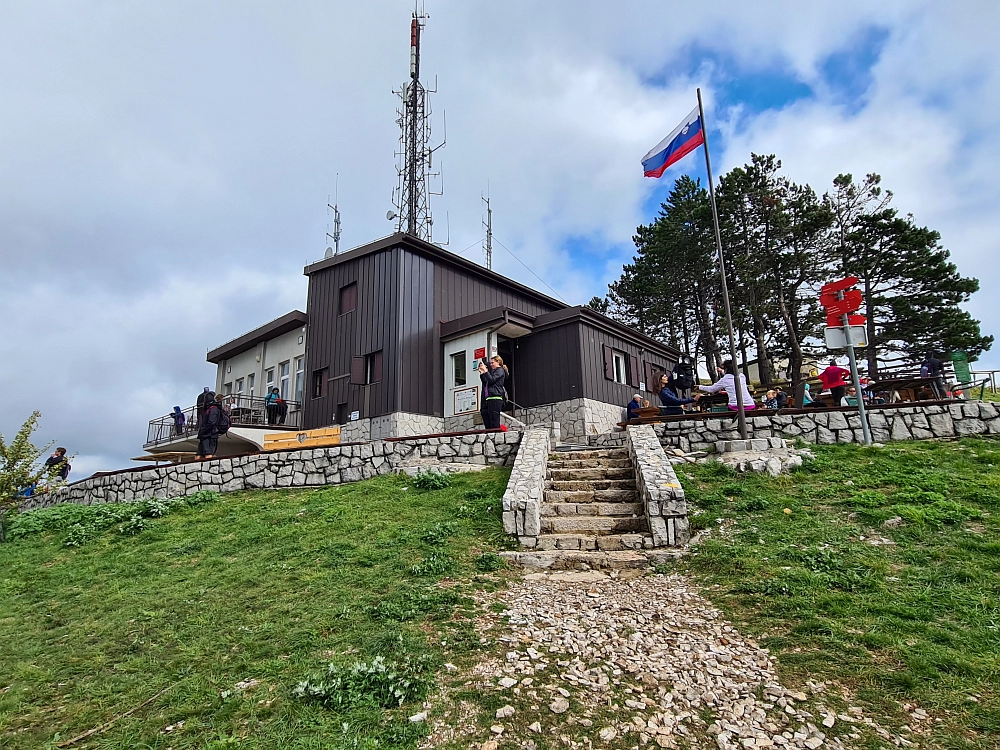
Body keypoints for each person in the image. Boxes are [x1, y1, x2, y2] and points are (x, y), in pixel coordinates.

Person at [478, 355, 507, 429]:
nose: (491, 365)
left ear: (498, 362)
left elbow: (491, 380)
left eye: (492, 363)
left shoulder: (500, 370)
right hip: (490, 398)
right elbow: (486, 383)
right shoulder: (494, 371)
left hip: (496, 397)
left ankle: (496, 436)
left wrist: (486, 371)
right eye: (490, 363)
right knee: (489, 421)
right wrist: (482, 373)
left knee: (494, 421)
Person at [197, 393, 222, 460]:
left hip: (209, 435)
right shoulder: (211, 409)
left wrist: (204, 431)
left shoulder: (213, 409)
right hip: (206, 435)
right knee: (199, 454)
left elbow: (211, 422)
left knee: (208, 454)